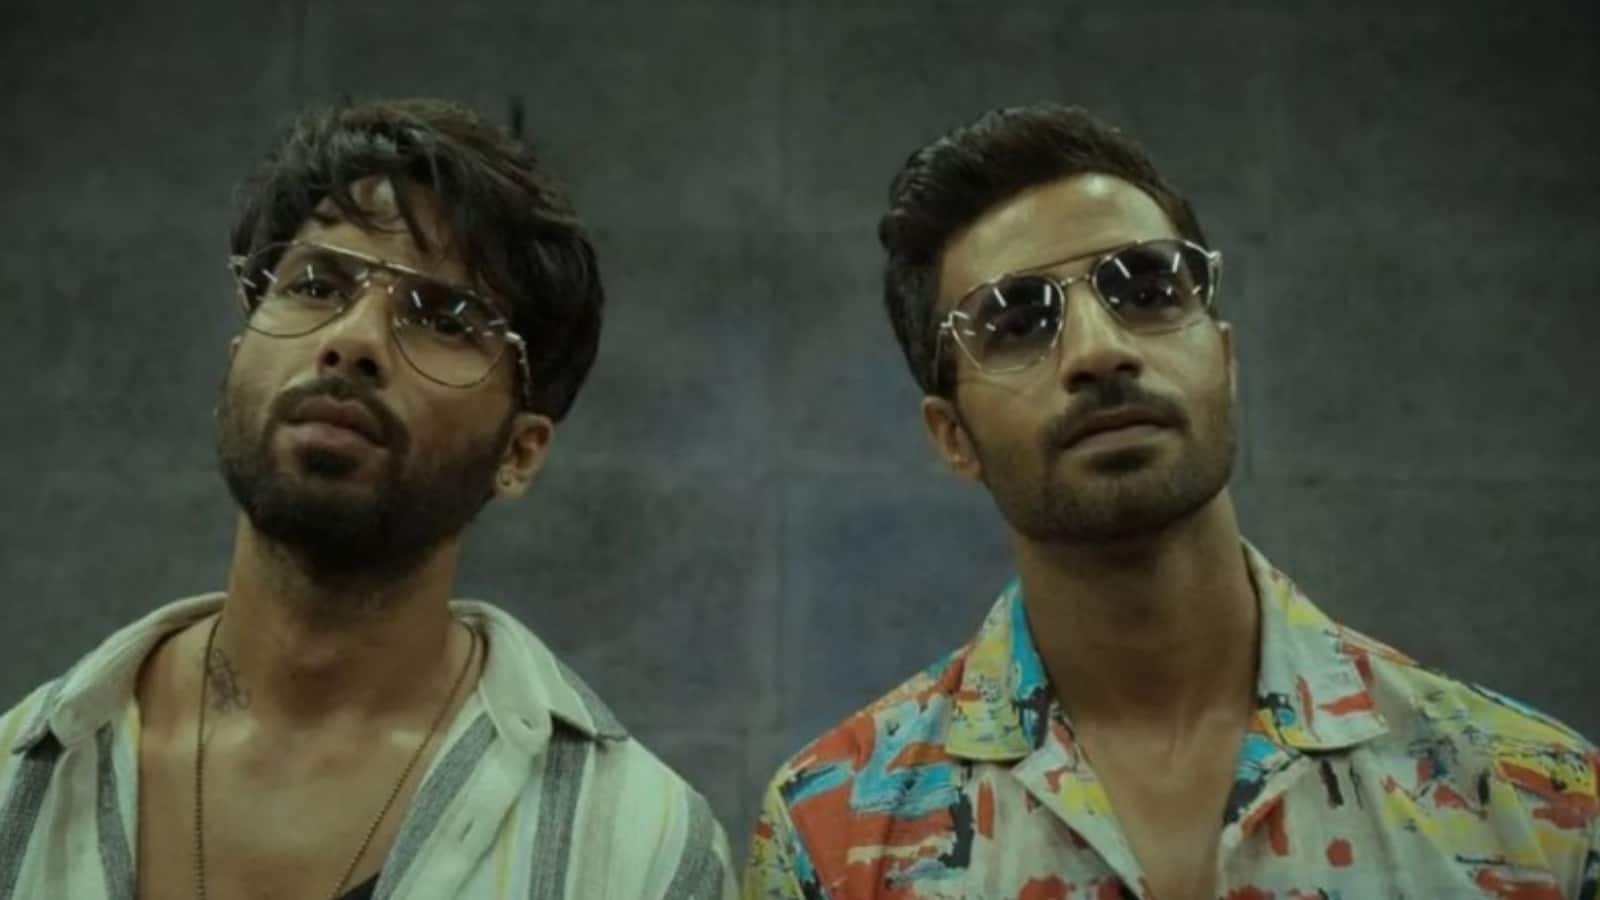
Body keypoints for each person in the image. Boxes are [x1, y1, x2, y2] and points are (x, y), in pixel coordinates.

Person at [743, 103, 1598, 899]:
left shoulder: (1538, 805)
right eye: (1016, 323)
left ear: (1225, 360)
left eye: (1147, 291)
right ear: (952, 435)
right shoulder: (835, 835)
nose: (1099, 350)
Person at [0, 98, 733, 900]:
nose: (351, 340)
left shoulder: (638, 852)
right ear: (237, 360)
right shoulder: (19, 782)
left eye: (445, 319)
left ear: (518, 453)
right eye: (316, 284)